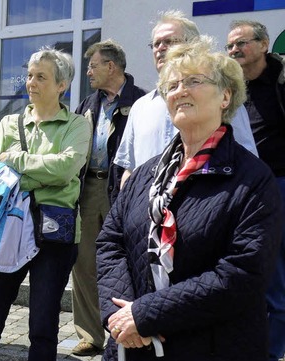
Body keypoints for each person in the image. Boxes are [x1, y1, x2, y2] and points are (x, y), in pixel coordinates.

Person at [96, 36, 282, 361]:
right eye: (172, 85)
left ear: (225, 96)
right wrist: (121, 315)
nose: (180, 90)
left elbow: (242, 273)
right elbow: (110, 243)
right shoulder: (145, 175)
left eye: (194, 81)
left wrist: (146, 314)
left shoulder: (253, 179)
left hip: (214, 347)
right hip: (136, 346)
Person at [0, 47, 91, 360]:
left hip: (55, 234)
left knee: (42, 325)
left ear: (61, 85)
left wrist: (17, 162)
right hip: (7, 230)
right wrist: (43, 174)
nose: (31, 82)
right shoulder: (9, 123)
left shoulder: (76, 125)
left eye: (41, 77)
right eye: (30, 75)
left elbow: (66, 168)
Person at [113, 10, 257, 188]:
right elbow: (129, 171)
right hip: (147, 212)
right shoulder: (140, 107)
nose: (160, 48)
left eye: (169, 41)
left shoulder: (218, 99)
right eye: (156, 44)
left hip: (206, 207)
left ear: (193, 46)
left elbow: (247, 162)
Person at [71, 39, 147, 357]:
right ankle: (90, 334)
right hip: (89, 189)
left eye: (93, 65)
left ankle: (125, 330)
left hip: (125, 190)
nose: (88, 71)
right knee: (84, 263)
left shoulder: (142, 102)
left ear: (111, 67)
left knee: (128, 263)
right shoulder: (88, 103)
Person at [227, 19, 285, 361]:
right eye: (230, 46)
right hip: (240, 189)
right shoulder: (231, 89)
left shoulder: (280, 82)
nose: (233, 50)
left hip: (278, 186)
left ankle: (271, 352)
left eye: (241, 44)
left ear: (263, 45)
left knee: (276, 275)